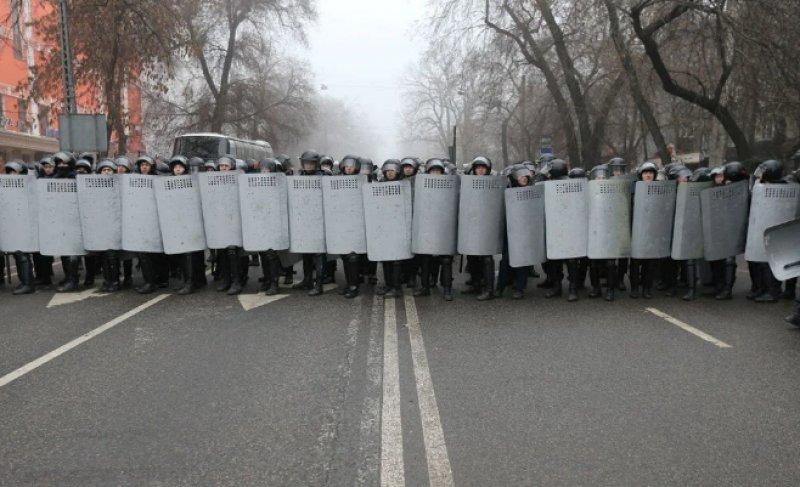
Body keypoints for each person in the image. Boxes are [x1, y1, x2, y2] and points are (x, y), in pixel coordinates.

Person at [413, 158, 455, 301]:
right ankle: (425, 287)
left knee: (446, 259)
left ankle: (447, 289)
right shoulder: (421, 186)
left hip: (444, 228)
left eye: (438, 171)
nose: (435, 173)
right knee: (425, 258)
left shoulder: (450, 185)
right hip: (427, 227)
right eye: (433, 171)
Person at [291, 150, 328, 296]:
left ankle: (319, 284)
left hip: (320, 219)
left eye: (311, 163)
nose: (308, 165)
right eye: (306, 163)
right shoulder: (299, 177)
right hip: (304, 220)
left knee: (318, 253)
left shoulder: (324, 178)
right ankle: (307, 280)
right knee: (306, 252)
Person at [463, 156, 498, 301]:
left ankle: (489, 289)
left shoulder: (494, 183)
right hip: (472, 223)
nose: (480, 170)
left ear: (487, 169)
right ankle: (476, 284)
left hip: (487, 224)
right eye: (478, 168)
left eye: (483, 168)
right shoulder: (468, 183)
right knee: (472, 257)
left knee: (486, 257)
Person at [497, 164, 533, 299]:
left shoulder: (532, 191)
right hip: (510, 230)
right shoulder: (507, 190)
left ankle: (520, 288)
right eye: (520, 176)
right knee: (506, 259)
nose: (524, 178)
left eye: (525, 175)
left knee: (522, 259)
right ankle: (500, 286)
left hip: (525, 230)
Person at [586, 164, 619, 301]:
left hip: (610, 231)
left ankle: (610, 290)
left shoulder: (614, 191)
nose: (601, 178)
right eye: (598, 176)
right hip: (594, 231)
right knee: (593, 263)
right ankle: (596, 288)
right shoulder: (589, 192)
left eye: (603, 176)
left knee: (610, 263)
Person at [373, 159, 406, 298]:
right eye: (387, 171)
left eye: (392, 170)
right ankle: (388, 285)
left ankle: (397, 288)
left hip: (399, 226)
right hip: (385, 226)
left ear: (397, 171)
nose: (390, 173)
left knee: (396, 259)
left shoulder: (404, 185)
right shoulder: (380, 185)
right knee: (385, 258)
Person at [3, 161, 35, 294]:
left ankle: (28, 283)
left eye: (14, 171)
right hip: (12, 224)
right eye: (9, 171)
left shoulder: (29, 186)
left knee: (22, 254)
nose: (11, 174)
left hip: (24, 225)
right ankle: (25, 282)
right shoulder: (5, 187)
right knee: (18, 254)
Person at [629, 162, 659, 299]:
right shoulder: (634, 189)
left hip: (652, 229)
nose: (648, 175)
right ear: (641, 175)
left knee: (650, 263)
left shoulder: (659, 189)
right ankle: (634, 288)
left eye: (651, 173)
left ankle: (647, 288)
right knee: (635, 262)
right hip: (637, 229)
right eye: (645, 173)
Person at [255, 158, 284, 296]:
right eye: (263, 170)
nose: (265, 172)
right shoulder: (255, 184)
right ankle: (267, 280)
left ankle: (274, 283)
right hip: (261, 222)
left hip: (275, 222)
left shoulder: (279, 184)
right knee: (263, 253)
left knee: (271, 254)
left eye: (267, 170)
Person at [95, 159, 122, 293]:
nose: (106, 172)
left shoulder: (118, 185)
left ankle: (115, 281)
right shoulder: (94, 187)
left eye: (109, 170)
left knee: (112, 255)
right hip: (101, 225)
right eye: (104, 170)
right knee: (104, 256)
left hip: (114, 224)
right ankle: (107, 280)